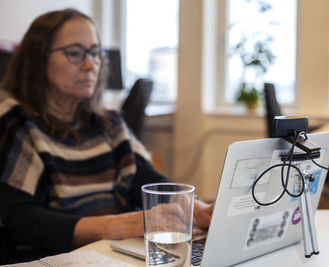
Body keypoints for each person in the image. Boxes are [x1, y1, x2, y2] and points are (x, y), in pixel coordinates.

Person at [0, 8, 213, 263]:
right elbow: (22, 220)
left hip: (110, 253)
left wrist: (194, 209)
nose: (91, 65)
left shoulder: (107, 122)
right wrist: (114, 225)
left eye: (95, 53)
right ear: (37, 60)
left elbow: (144, 180)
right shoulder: (13, 120)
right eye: (75, 53)